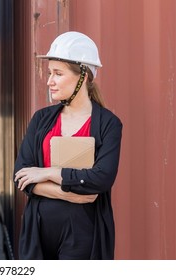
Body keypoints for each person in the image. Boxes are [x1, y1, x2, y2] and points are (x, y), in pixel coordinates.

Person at [13, 31, 122, 260]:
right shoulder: (41, 119)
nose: (49, 80)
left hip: (82, 234)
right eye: (50, 73)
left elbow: (101, 179)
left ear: (82, 76)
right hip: (39, 232)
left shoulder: (108, 124)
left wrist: (48, 173)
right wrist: (75, 194)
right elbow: (21, 177)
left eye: (58, 74)